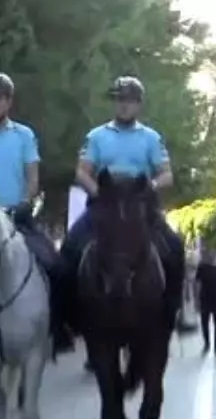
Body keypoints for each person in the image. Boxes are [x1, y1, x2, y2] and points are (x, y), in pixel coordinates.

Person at [61, 75, 187, 334]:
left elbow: (167, 174)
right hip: (105, 205)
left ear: (138, 104)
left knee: (174, 247)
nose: (123, 105)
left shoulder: (151, 137)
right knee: (70, 246)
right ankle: (68, 318)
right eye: (119, 100)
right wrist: (98, 193)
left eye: (129, 101)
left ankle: (173, 311)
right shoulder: (96, 136)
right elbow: (82, 172)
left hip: (140, 205)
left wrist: (148, 188)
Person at [0, 72, 72, 353]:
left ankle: (59, 329)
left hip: (18, 218)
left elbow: (32, 175)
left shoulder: (24, 135)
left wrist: (26, 200)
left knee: (56, 265)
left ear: (8, 101)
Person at [194, 248, 216, 355]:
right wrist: (196, 299)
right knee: (205, 323)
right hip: (205, 298)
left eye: (212, 255)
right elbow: (197, 284)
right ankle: (207, 344)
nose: (210, 257)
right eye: (209, 255)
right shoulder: (202, 268)